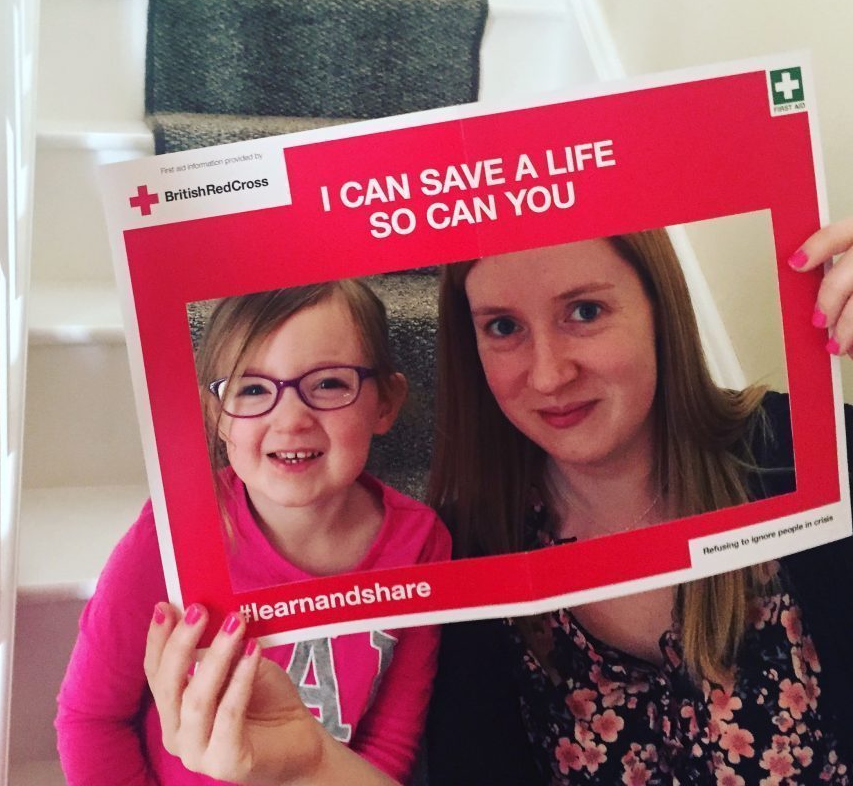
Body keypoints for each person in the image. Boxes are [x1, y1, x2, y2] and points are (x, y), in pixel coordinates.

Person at [142, 219, 853, 786]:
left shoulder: (810, 453)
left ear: (659, 309)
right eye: (503, 327)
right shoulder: (468, 553)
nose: (548, 374)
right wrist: (309, 765)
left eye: (584, 311)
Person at [56, 280, 451, 785]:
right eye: (252, 389)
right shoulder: (171, 533)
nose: (291, 420)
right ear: (217, 417)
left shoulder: (422, 543)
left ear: (385, 403)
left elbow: (389, 743)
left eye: (329, 384)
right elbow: (91, 720)